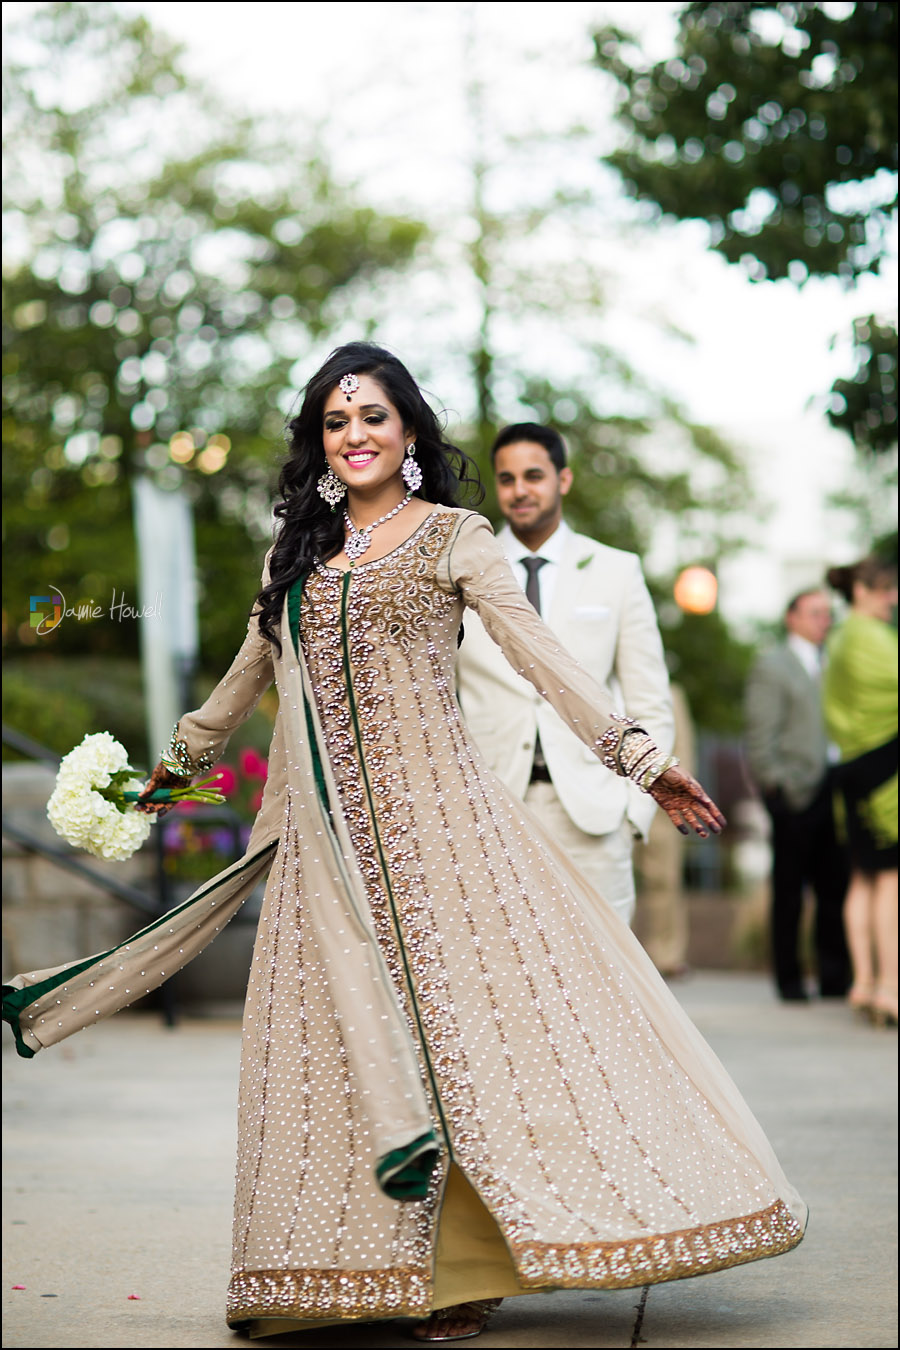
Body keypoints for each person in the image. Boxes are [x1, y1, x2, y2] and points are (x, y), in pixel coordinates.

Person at [4, 343, 806, 1344]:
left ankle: (460, 1274)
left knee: (456, 1044)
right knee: (332, 1052)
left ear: (410, 431)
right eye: (336, 423)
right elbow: (244, 677)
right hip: (323, 848)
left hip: (444, 838)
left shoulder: (455, 537)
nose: (355, 436)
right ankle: (341, 1270)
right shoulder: (296, 555)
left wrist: (639, 759)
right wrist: (166, 777)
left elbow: (542, 657)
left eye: (373, 417)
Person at [455, 422, 674, 926]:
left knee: (604, 966)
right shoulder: (464, 572)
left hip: (594, 814)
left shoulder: (617, 570)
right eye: (507, 479)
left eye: (534, 476)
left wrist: (632, 812)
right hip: (493, 810)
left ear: (564, 479)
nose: (520, 490)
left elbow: (650, 701)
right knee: (503, 962)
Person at [743, 589, 851, 1002]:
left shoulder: (834, 661)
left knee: (835, 886)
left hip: (835, 786)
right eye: (815, 613)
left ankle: (834, 977)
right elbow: (760, 732)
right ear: (792, 617)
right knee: (789, 889)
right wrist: (775, 783)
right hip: (794, 789)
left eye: (827, 614)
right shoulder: (773, 665)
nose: (824, 621)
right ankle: (789, 980)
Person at [823, 555, 898, 1027]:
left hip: (850, 766)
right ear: (863, 591)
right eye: (887, 589)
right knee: (890, 879)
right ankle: (890, 986)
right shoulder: (869, 636)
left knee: (863, 878)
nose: (894, 598)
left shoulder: (837, 638)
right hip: (885, 770)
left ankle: (865, 982)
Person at [634, 681, 696, 977]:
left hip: (660, 807)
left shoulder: (672, 694)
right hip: (612, 801)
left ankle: (667, 955)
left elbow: (684, 749)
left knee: (665, 881)